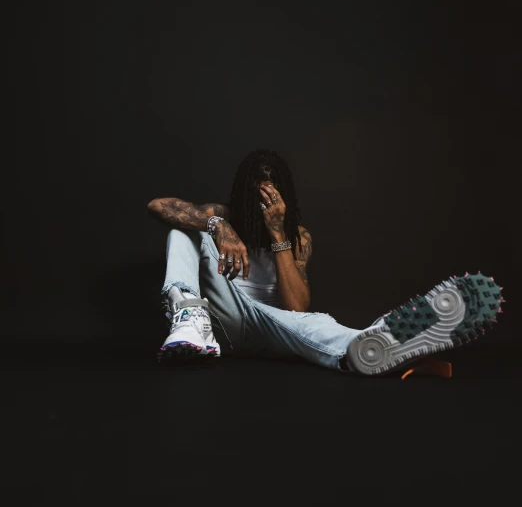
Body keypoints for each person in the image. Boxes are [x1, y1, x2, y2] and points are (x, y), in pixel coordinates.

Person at [147, 149, 503, 376]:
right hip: (219, 320)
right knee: (184, 229)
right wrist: (218, 225)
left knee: (316, 324)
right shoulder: (223, 217)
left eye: (272, 198)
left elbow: (297, 308)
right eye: (256, 197)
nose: (263, 206)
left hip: (275, 326)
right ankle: (189, 322)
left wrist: (276, 234)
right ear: (241, 195)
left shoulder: (298, 237)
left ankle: (377, 344)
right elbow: (159, 205)